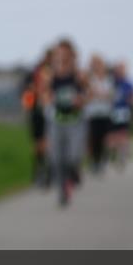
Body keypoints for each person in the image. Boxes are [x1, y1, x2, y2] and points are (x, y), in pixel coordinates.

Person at [38, 39, 86, 207]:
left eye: (65, 53)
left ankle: (73, 173)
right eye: (59, 53)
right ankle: (62, 191)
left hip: (74, 121)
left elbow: (88, 95)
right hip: (56, 120)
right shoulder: (49, 75)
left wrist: (80, 100)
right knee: (56, 159)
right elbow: (43, 95)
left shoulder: (79, 75)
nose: (62, 56)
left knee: (73, 156)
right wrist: (47, 98)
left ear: (71, 54)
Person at [22, 49, 53, 187]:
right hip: (37, 112)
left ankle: (48, 171)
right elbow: (26, 95)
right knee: (38, 144)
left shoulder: (56, 73)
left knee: (48, 143)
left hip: (51, 112)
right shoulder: (33, 74)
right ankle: (39, 169)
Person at [83, 54, 114, 174]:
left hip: (105, 113)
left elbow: (110, 95)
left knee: (103, 139)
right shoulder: (90, 79)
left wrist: (99, 94)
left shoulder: (108, 80)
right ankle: (94, 161)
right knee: (93, 138)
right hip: (93, 113)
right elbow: (89, 94)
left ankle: (101, 160)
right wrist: (97, 94)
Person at [107, 61, 133, 170]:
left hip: (123, 111)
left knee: (122, 134)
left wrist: (131, 101)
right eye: (118, 69)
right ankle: (112, 153)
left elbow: (132, 97)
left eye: (122, 69)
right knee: (111, 135)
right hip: (112, 111)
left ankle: (122, 155)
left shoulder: (128, 84)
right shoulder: (111, 82)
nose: (120, 71)